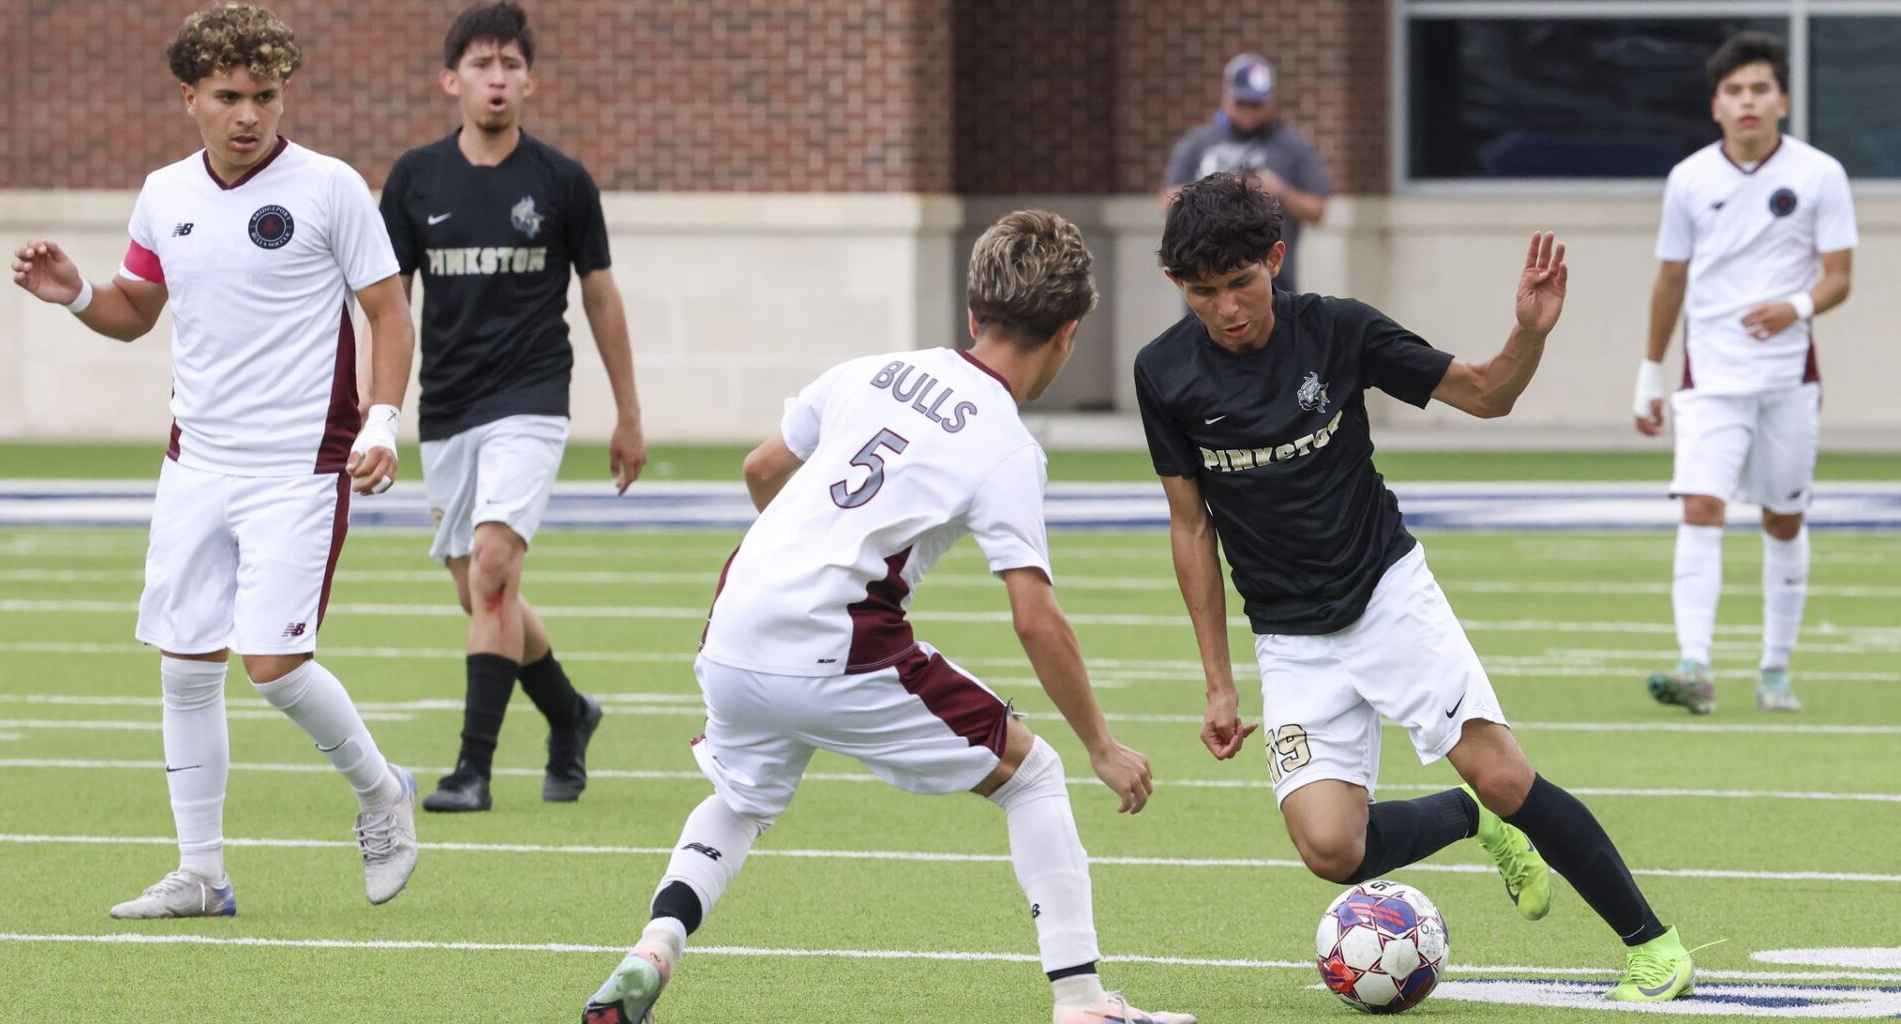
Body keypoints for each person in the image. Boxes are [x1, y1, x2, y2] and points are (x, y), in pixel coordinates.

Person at [580, 212, 1192, 1024]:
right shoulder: (1007, 444)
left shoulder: (871, 370)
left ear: (973, 315)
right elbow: (1034, 616)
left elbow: (762, 467)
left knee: (742, 797)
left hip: (735, 621)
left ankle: (655, 944)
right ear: (1069, 335)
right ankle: (1082, 1002)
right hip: (838, 641)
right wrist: (1103, 746)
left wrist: (808, 560)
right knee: (1035, 776)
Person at [1134, 173, 1694, 1002]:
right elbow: (1192, 528)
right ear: (1177, 285)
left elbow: (1486, 394)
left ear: (1276, 260)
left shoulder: (1340, 329)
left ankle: (1655, 947)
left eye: (1242, 285)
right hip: (1290, 638)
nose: (1228, 310)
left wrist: (1527, 333)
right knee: (1330, 849)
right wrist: (1218, 682)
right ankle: (1472, 821)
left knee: (1504, 774)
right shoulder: (1163, 373)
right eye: (1204, 293)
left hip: (1387, 597)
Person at [8, 2, 418, 916]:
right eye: (229, 96)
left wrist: (384, 422)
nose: (248, 115)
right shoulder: (164, 194)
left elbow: (389, 312)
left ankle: (382, 792)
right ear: (188, 96)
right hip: (196, 464)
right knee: (185, 666)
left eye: (265, 96)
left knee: (273, 667)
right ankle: (202, 873)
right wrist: (77, 296)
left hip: (303, 466)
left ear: (284, 97)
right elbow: (135, 310)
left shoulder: (330, 187)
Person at [380, 1, 646, 812]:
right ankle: (570, 715)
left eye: (510, 65)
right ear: (450, 79)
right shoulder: (414, 179)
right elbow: (386, 307)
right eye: (481, 65)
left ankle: (472, 770)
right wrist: (375, 417)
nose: (496, 79)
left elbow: (601, 297)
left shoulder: (561, 181)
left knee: (496, 572)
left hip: (532, 396)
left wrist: (628, 413)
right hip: (448, 408)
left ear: (530, 79)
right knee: (478, 597)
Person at [1634, 32, 1855, 716]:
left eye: (1760, 89)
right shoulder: (1690, 179)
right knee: (1701, 507)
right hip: (1712, 377)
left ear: (1782, 100)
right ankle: (1694, 664)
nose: (1748, 102)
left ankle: (1775, 668)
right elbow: (1670, 278)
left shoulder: (1821, 174)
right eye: (1735, 91)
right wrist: (1650, 371)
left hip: (1790, 378)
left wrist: (1795, 306)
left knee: (1785, 519)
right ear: (1716, 106)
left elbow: (1840, 277)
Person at [1162, 53, 1330, 292]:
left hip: (1274, 280)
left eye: (1256, 103)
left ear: (1272, 100)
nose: (1249, 111)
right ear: (1225, 96)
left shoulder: (1293, 146)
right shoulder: (1199, 143)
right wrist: (1215, 189)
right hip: (1207, 275)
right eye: (1242, 102)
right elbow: (1167, 202)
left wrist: (1278, 190)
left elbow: (1318, 209)